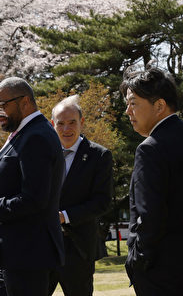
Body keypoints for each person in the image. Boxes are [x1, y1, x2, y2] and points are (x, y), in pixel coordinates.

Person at [120, 66, 183, 296]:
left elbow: (149, 216)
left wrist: (137, 260)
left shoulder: (150, 149)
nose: (127, 111)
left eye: (133, 103)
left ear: (159, 106)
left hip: (159, 269)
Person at [0, 77, 65, 296]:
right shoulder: (24, 133)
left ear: (25, 102)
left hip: (28, 256)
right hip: (14, 254)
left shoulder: (36, 137)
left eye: (2, 105)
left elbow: (34, 199)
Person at [48, 95, 113, 296]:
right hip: (44, 245)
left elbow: (102, 201)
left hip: (79, 248)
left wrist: (65, 216)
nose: (66, 129)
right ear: (52, 124)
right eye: (61, 123)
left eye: (72, 123)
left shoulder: (99, 155)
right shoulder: (42, 154)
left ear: (82, 122)